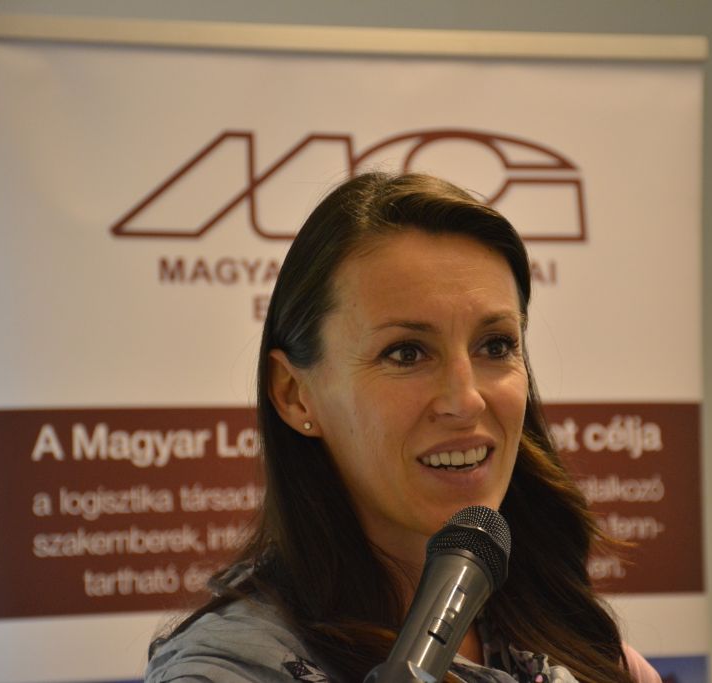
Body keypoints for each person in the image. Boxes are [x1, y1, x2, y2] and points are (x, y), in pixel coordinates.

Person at [145, 172, 661, 683]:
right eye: (407, 353)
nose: (466, 400)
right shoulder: (223, 670)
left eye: (496, 346)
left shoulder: (592, 655)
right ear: (294, 393)